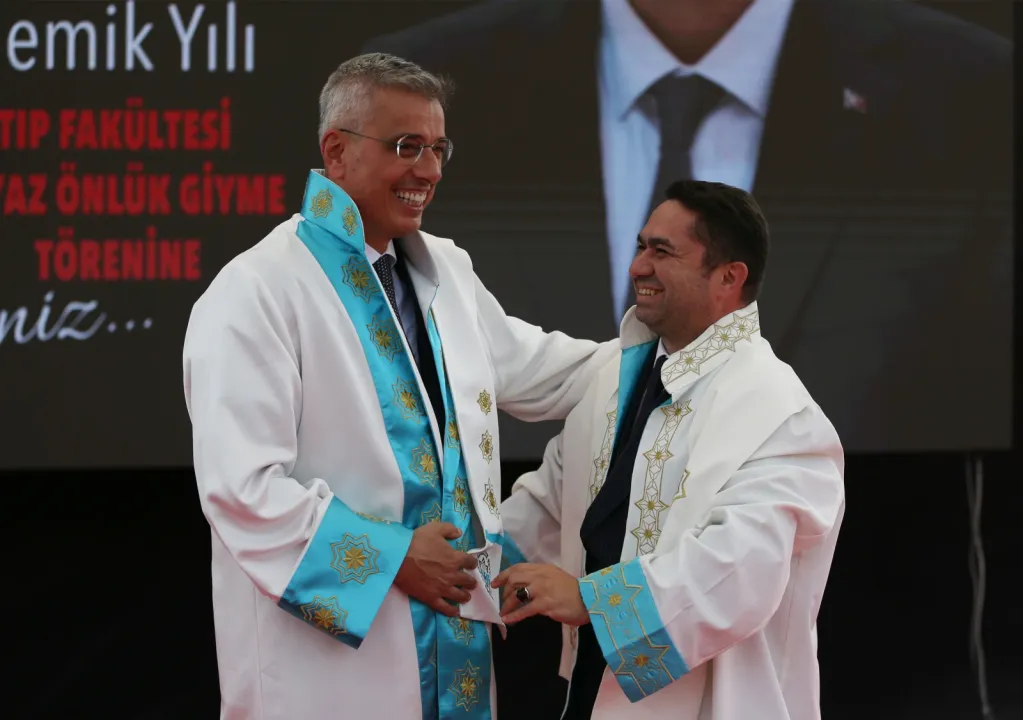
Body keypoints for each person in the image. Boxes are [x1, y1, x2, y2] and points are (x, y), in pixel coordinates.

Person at [362, 0, 1013, 455]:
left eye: (662, 252)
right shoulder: (416, 87)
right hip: (514, 593)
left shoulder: (973, 89)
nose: (644, 267)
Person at [182, 52, 617, 720]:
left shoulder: (445, 269)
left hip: (453, 646)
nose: (430, 170)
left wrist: (683, 352)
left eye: (439, 148)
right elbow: (241, 490)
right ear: (336, 151)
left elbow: (553, 374)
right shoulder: (257, 289)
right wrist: (392, 559)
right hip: (327, 675)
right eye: (406, 146)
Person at [492, 180, 846, 719]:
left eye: (662, 251)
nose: (638, 267)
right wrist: (462, 571)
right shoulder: (616, 379)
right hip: (591, 691)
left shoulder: (783, 413)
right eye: (640, 246)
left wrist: (591, 601)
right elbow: (549, 506)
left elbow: (739, 571)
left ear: (729, 277)